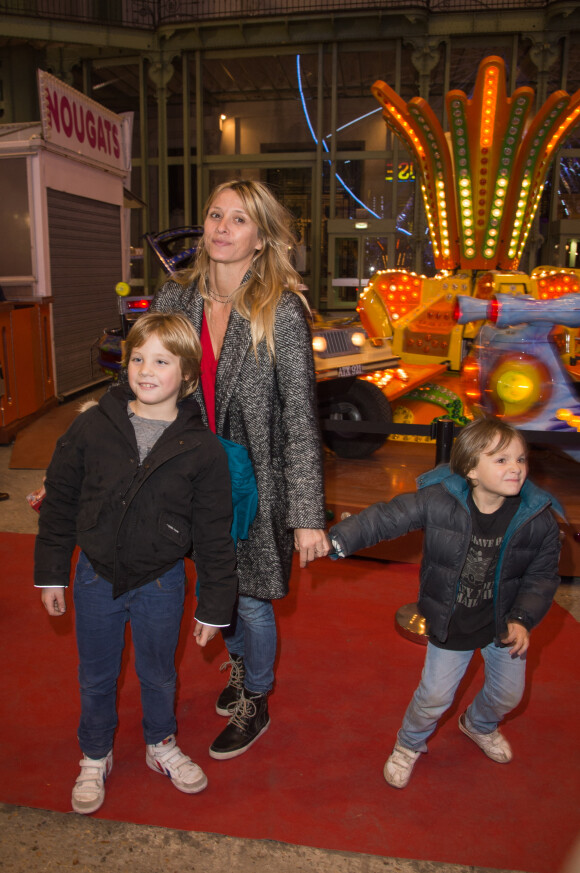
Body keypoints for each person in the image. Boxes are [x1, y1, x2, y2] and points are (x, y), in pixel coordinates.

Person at [150, 179, 329, 760]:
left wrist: (306, 516)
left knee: (250, 598)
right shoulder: (173, 301)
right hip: (192, 480)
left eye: (240, 219)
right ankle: (240, 668)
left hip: (259, 484)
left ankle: (257, 695)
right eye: (215, 214)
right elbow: (142, 389)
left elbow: (301, 417)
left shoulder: (281, 311)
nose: (222, 228)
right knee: (216, 588)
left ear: (261, 238)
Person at [35, 312, 238, 814]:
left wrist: (214, 606)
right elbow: (60, 500)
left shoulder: (203, 448)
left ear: (187, 375)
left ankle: (160, 743)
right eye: (138, 358)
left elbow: (214, 533)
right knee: (96, 675)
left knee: (159, 673)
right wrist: (51, 572)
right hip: (95, 574)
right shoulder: (91, 426)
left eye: (162, 361)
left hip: (162, 581)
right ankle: (95, 752)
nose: (146, 370)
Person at [325, 417, 562, 788]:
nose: (515, 468)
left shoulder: (538, 519)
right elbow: (388, 518)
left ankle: (478, 724)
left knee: (508, 696)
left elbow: (542, 576)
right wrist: (338, 540)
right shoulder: (439, 501)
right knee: (434, 696)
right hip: (453, 620)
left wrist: (522, 617)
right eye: (500, 460)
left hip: (503, 623)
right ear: (471, 469)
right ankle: (409, 743)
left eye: (520, 459)